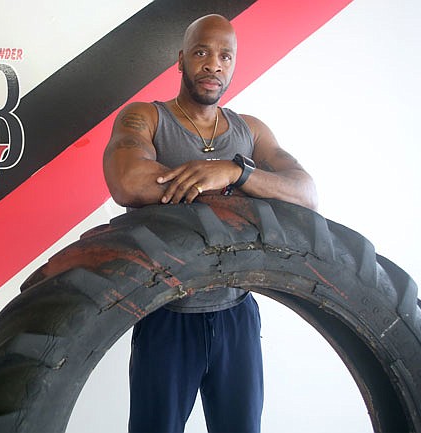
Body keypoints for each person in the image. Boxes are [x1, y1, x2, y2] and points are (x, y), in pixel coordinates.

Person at [102, 14, 319, 433]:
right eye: (202, 52)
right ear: (181, 60)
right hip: (166, 313)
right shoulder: (145, 118)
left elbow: (306, 194)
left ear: (234, 64)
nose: (214, 65)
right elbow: (128, 182)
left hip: (237, 314)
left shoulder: (250, 131)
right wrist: (224, 183)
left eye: (225, 55)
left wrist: (234, 173)